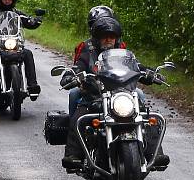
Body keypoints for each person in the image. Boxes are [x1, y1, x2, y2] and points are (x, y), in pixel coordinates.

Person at [61, 15, 169, 169]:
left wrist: (151, 73)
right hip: (95, 98)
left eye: (111, 36)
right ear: (97, 38)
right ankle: (73, 155)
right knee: (79, 117)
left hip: (121, 98)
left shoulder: (124, 55)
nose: (108, 40)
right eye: (104, 37)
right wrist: (72, 76)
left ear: (117, 38)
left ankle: (155, 153)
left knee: (146, 116)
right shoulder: (88, 55)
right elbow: (78, 67)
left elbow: (137, 67)